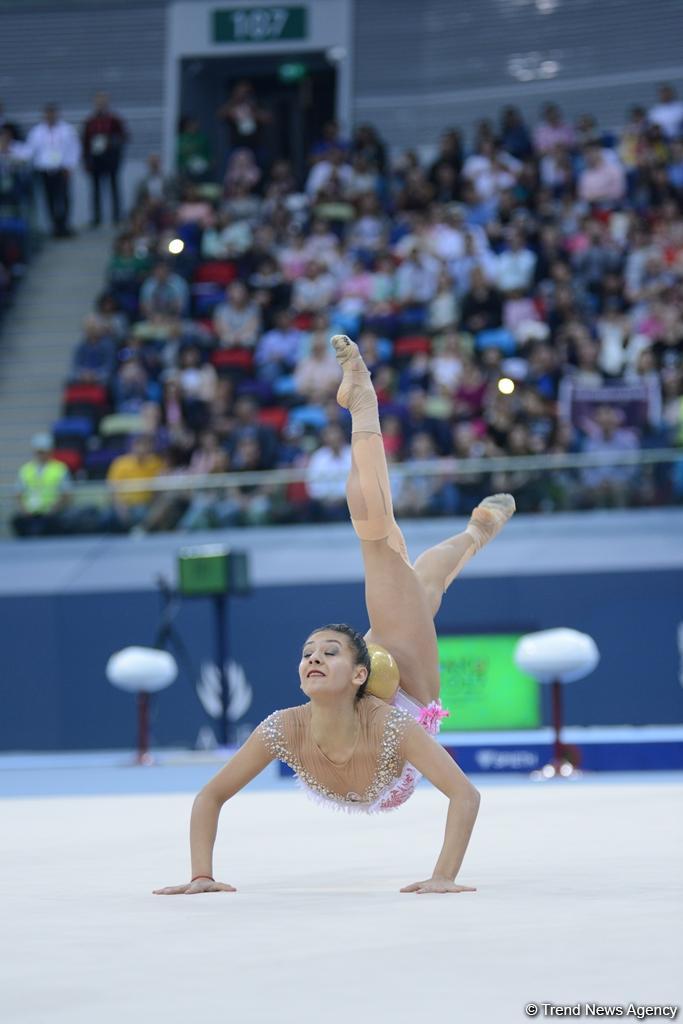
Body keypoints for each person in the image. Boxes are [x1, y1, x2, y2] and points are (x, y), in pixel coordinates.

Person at [154, 335, 516, 897]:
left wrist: (443, 878)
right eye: (308, 653)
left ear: (359, 670)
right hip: (398, 701)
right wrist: (201, 875)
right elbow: (210, 797)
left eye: (325, 652)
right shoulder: (282, 730)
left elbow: (465, 793)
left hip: (401, 687)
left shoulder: (391, 723)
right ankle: (476, 532)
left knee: (379, 539)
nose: (313, 658)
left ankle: (365, 406)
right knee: (419, 581)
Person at [25, 103, 80, 237]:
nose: (50, 116)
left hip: (62, 169)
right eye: (47, 114)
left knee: (64, 198)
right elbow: (29, 150)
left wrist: (70, 166)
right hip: (44, 170)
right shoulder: (36, 131)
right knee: (48, 199)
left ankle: (64, 225)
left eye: (52, 114)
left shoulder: (67, 129)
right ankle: (54, 226)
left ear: (56, 114)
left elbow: (74, 148)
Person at [82, 92, 128, 226]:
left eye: (103, 102)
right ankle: (96, 217)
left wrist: (111, 142)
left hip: (111, 159)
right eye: (98, 102)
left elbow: (124, 137)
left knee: (114, 187)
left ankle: (116, 216)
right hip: (96, 160)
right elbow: (85, 142)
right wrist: (86, 160)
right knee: (95, 189)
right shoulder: (90, 121)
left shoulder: (114, 120)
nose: (100, 105)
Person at [12, 433, 71, 537]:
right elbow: (18, 493)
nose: (41, 455)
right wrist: (24, 510)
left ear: (50, 451)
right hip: (30, 512)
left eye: (44, 452)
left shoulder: (60, 468)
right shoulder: (25, 469)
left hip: (51, 513)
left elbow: (66, 494)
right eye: (39, 452)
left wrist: (54, 509)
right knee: (17, 521)